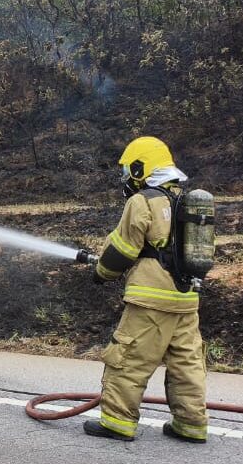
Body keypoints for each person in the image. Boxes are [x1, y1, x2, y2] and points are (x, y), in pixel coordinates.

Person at [84, 136, 206, 443]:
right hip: (187, 298)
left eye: (128, 171)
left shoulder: (143, 200)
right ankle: (191, 425)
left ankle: (117, 422)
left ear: (141, 168)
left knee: (128, 358)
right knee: (187, 364)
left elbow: (123, 249)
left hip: (151, 298)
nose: (126, 178)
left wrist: (101, 273)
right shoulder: (188, 198)